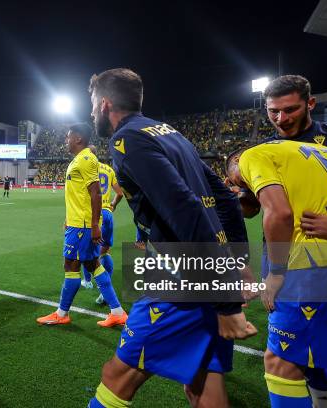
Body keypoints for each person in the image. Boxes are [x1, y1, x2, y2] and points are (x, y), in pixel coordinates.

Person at [88, 68, 256, 408]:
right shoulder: (170, 133)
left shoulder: (127, 140)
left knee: (116, 376)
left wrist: (225, 299)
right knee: (204, 385)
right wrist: (236, 263)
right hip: (209, 268)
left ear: (105, 104)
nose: (91, 112)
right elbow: (225, 199)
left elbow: (185, 209)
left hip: (181, 276)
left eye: (92, 103)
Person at [226, 140, 327, 408]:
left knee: (282, 363)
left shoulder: (252, 156)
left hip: (316, 267)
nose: (240, 186)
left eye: (237, 180)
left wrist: (276, 274)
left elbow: (279, 212)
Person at [258, 74, 327, 407]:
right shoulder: (268, 150)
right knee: (307, 361)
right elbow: (257, 209)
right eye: (273, 112)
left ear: (310, 103)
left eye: (290, 109)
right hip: (289, 263)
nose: (281, 119)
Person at [36, 123, 127, 328]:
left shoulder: (86, 159)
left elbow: (96, 192)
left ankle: (62, 313)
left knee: (71, 265)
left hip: (83, 226)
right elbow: (80, 195)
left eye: (68, 136)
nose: (66, 140)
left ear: (78, 138)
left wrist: (95, 225)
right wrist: (69, 219)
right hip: (79, 223)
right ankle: (117, 312)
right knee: (92, 264)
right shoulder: (81, 159)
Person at [81, 145, 123, 304]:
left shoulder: (87, 167)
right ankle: (104, 292)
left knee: (89, 253)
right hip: (107, 214)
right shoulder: (109, 169)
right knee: (104, 253)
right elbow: (120, 193)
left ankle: (88, 281)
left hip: (94, 215)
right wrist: (113, 205)